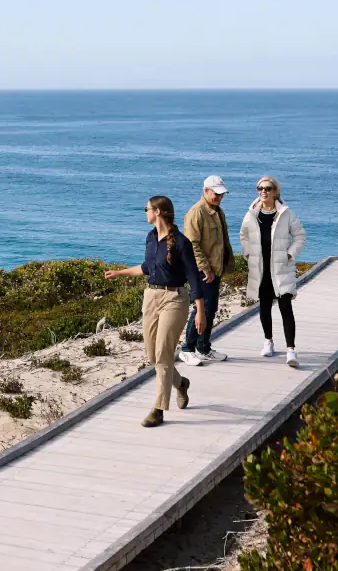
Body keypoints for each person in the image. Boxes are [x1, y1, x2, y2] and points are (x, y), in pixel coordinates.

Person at [104, 195, 198, 427]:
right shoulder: (150, 238)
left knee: (164, 354)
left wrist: (201, 311)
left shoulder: (181, 243)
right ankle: (181, 383)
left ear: (158, 212)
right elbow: (148, 267)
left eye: (146, 209)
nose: (145, 212)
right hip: (151, 296)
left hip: (174, 298)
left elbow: (194, 277)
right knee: (153, 356)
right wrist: (120, 273)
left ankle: (158, 410)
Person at [240, 175, 306, 367]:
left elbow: (300, 236)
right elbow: (243, 235)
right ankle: (268, 341)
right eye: (260, 188)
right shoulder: (252, 214)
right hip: (260, 268)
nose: (263, 191)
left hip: (281, 268)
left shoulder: (286, 213)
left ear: (275, 191)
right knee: (264, 306)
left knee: (286, 307)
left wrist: (290, 254)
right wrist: (248, 253)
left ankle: (291, 350)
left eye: (267, 188)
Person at [178, 175, 232, 365]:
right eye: (216, 193)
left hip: (215, 269)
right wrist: (206, 269)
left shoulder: (217, 211)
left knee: (210, 308)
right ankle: (187, 349)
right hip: (203, 271)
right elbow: (192, 244)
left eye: (222, 194)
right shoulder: (197, 212)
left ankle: (203, 347)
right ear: (206, 191)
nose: (220, 197)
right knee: (201, 309)